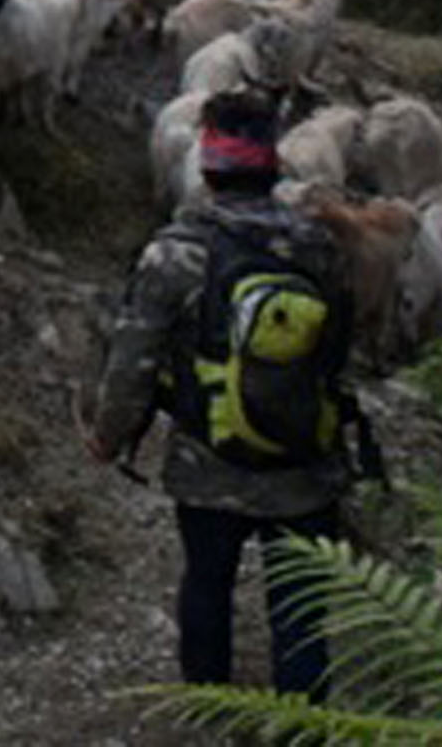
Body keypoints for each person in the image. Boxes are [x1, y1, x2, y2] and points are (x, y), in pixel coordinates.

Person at [87, 90, 374, 702]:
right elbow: (342, 347)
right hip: (304, 459)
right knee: (299, 609)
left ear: (208, 168)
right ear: (274, 166)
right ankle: (305, 725)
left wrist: (109, 435)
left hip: (208, 459)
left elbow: (131, 359)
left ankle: (210, 707)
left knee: (207, 586)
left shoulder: (177, 252)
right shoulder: (321, 248)